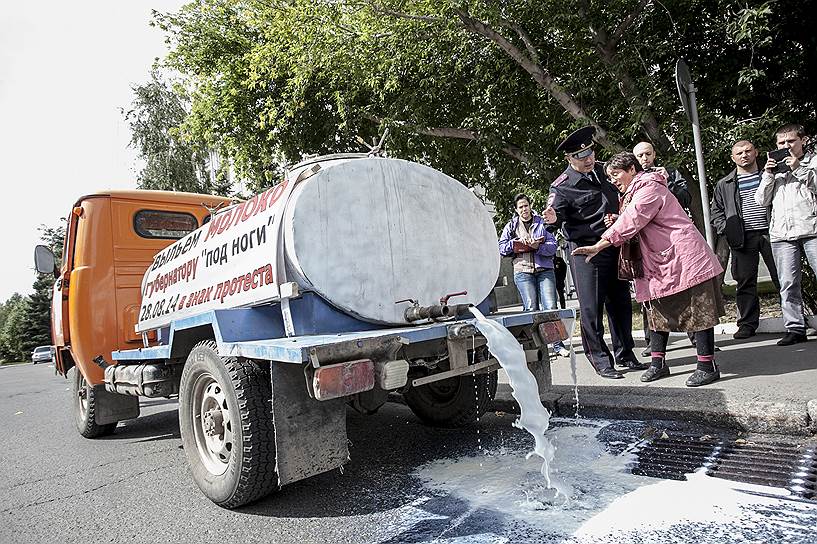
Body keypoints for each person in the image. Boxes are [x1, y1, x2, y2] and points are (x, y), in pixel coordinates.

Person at [572, 152, 724, 386]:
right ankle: (658, 363)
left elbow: (634, 218)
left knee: (698, 310)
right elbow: (633, 219)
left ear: (632, 170)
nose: (613, 180)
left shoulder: (649, 187)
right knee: (656, 312)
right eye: (610, 176)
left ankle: (707, 365)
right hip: (660, 261)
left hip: (684, 256)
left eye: (616, 174)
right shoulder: (633, 192)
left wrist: (600, 244)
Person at [544, 126, 646, 379]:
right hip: (585, 252)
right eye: (581, 156)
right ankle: (599, 358)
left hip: (613, 244)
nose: (588, 158)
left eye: (590, 152)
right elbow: (553, 219)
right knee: (592, 308)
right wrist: (552, 218)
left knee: (621, 304)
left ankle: (625, 354)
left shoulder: (605, 171)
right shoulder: (561, 187)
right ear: (569, 159)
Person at [710, 140, 780, 339]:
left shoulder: (770, 175)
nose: (744, 155)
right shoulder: (725, 184)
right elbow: (717, 212)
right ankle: (747, 325)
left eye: (748, 151)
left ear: (756, 152)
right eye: (739, 153)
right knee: (745, 282)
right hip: (742, 238)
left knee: (783, 278)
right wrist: (728, 230)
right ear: (733, 158)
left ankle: (795, 322)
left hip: (772, 234)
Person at [756, 123, 817, 346]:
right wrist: (768, 175)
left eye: (790, 141)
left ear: (804, 140)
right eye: (781, 143)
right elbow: (761, 200)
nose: (786, 146)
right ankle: (795, 328)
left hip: (812, 229)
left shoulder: (813, 162)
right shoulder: (774, 170)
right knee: (788, 283)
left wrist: (799, 168)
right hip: (781, 233)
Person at [632, 141, 696, 356]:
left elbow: (686, 198)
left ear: (654, 154)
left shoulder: (670, 173)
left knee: (686, 289)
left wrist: (667, 184)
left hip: (674, 241)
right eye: (640, 155)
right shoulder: (634, 181)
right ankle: (653, 343)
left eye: (648, 154)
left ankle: (696, 337)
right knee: (650, 295)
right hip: (649, 245)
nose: (644, 159)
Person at [499, 194, 570, 356]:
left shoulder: (542, 222)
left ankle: (558, 346)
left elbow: (553, 247)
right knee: (531, 309)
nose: (524, 209)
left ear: (530, 206)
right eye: (520, 207)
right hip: (523, 271)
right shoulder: (511, 225)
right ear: (516, 210)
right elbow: (502, 248)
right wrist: (516, 242)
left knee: (551, 307)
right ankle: (535, 347)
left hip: (544, 270)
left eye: (526, 205)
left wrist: (537, 246)